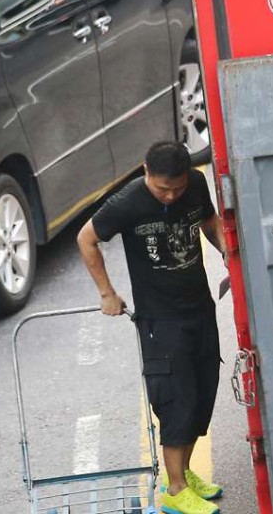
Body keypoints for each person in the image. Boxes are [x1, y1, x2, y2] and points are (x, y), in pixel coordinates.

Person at [77, 142, 226, 514]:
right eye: (163, 189)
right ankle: (174, 491)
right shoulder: (128, 202)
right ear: (145, 171)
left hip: (199, 307)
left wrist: (226, 250)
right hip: (160, 319)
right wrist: (107, 293)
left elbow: (208, 219)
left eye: (176, 188)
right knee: (176, 400)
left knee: (203, 390)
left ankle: (185, 473)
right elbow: (87, 238)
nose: (172, 195)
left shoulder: (194, 183)